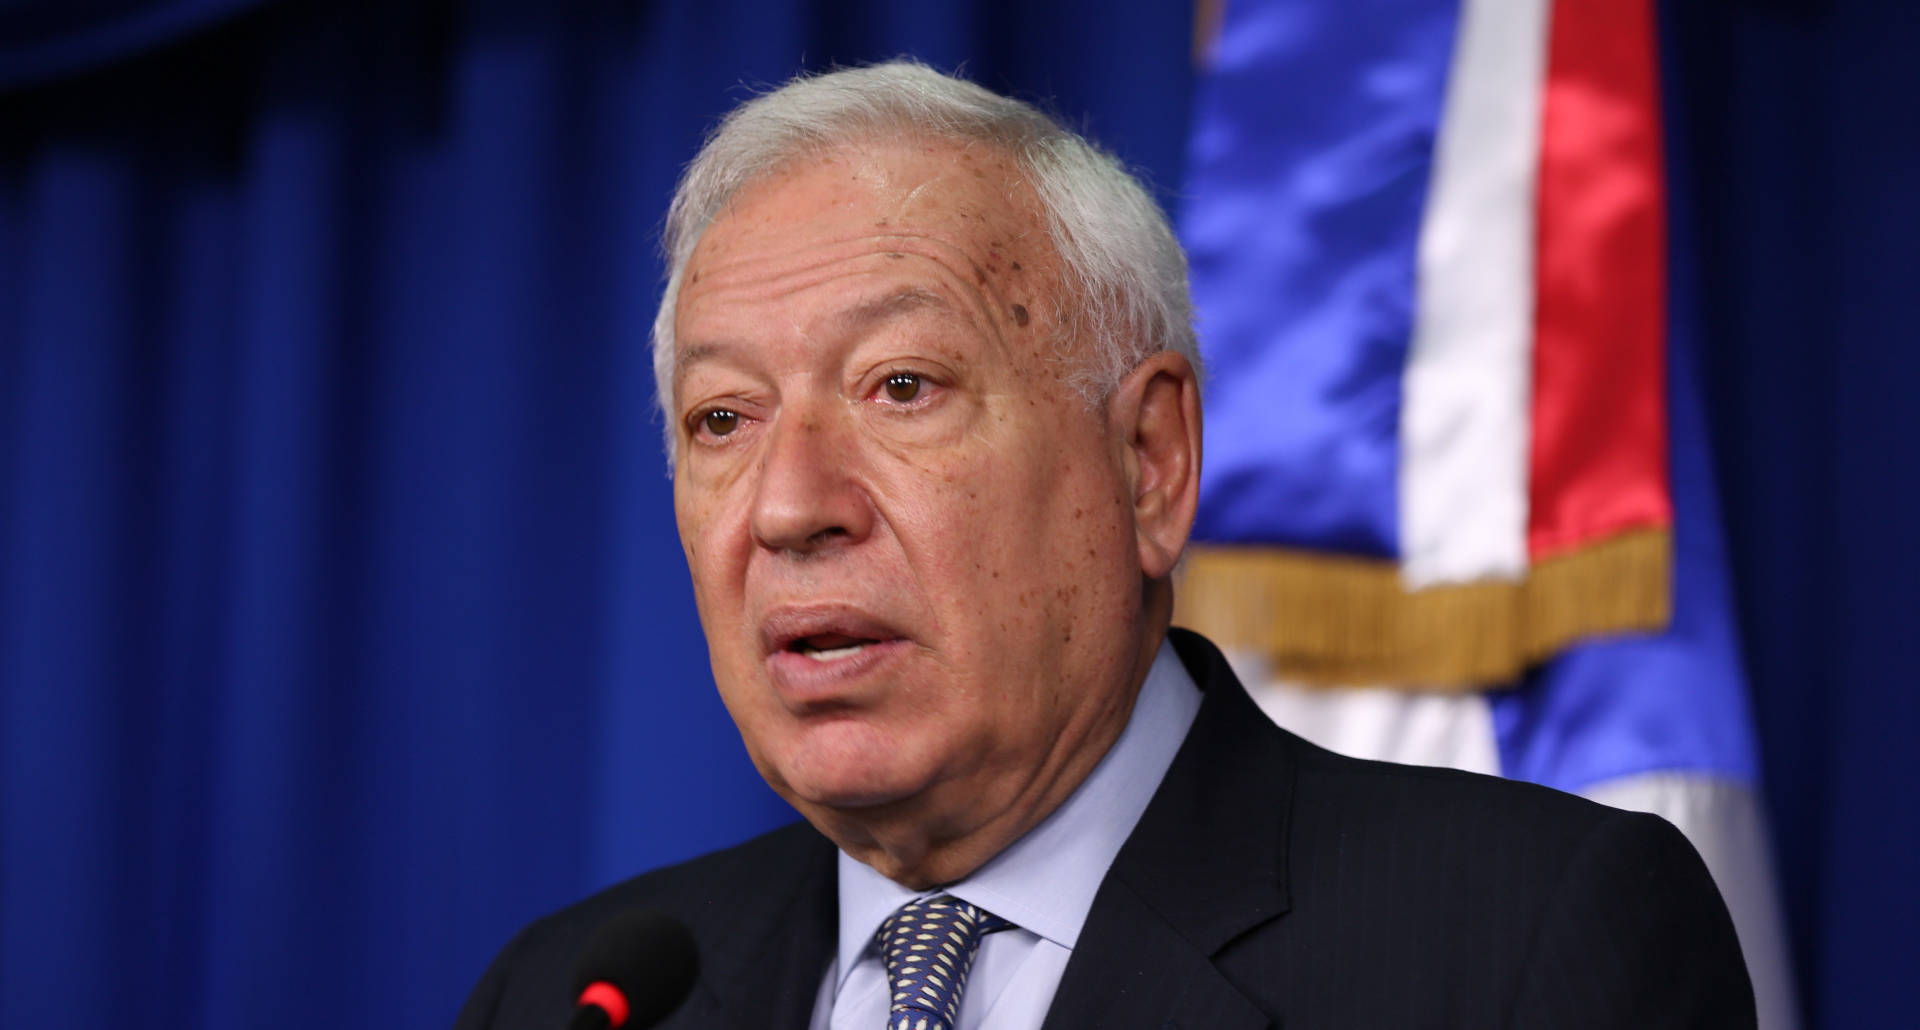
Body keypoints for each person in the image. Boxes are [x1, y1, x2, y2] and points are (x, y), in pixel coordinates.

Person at [453, 61, 1754, 1030]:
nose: (791, 506)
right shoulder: (574, 999)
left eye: (902, 386)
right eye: (723, 418)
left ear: (1149, 463)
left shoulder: (1519, 944)